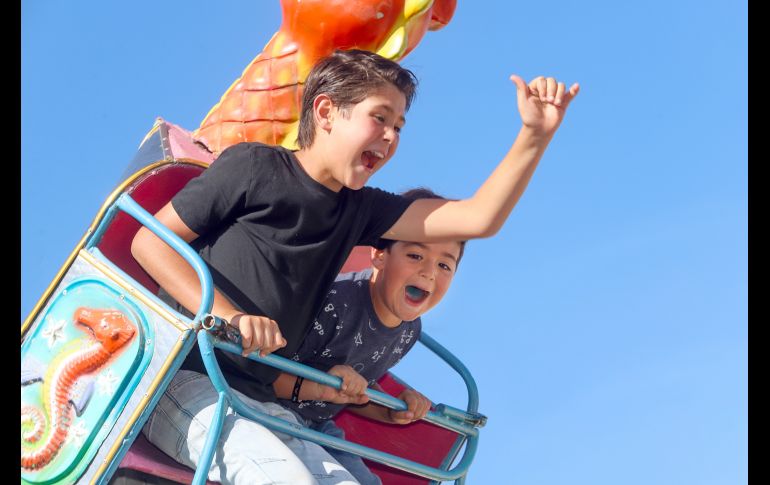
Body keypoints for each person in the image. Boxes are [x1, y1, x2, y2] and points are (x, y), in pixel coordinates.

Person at [132, 47, 579, 484]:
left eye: (398, 126)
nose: (390, 136)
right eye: (379, 118)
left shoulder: (362, 210)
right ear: (326, 111)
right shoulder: (254, 166)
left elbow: (477, 218)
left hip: (260, 400)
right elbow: (149, 242)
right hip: (184, 376)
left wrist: (534, 135)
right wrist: (229, 316)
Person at [271, 188, 462, 485]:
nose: (429, 272)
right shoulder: (334, 303)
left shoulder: (409, 333)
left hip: (319, 426)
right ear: (379, 255)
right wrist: (319, 387)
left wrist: (395, 409)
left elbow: (356, 392)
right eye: (415, 255)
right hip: (268, 409)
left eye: (444, 265)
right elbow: (261, 374)